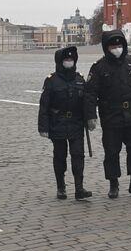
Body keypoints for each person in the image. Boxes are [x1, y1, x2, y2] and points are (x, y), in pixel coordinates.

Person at [86, 30, 131, 199]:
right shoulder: (99, 67)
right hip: (111, 116)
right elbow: (90, 93)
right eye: (113, 46)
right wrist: (90, 116)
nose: (116, 48)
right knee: (111, 152)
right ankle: (113, 183)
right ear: (106, 48)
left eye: (119, 45)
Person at [38, 46, 93, 200]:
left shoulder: (79, 79)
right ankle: (61, 187)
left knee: (78, 155)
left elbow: (87, 102)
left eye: (71, 59)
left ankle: (79, 188)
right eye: (66, 59)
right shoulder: (51, 80)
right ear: (59, 62)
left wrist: (90, 118)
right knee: (60, 156)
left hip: (76, 123)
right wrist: (43, 127)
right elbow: (44, 105)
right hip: (58, 123)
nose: (69, 62)